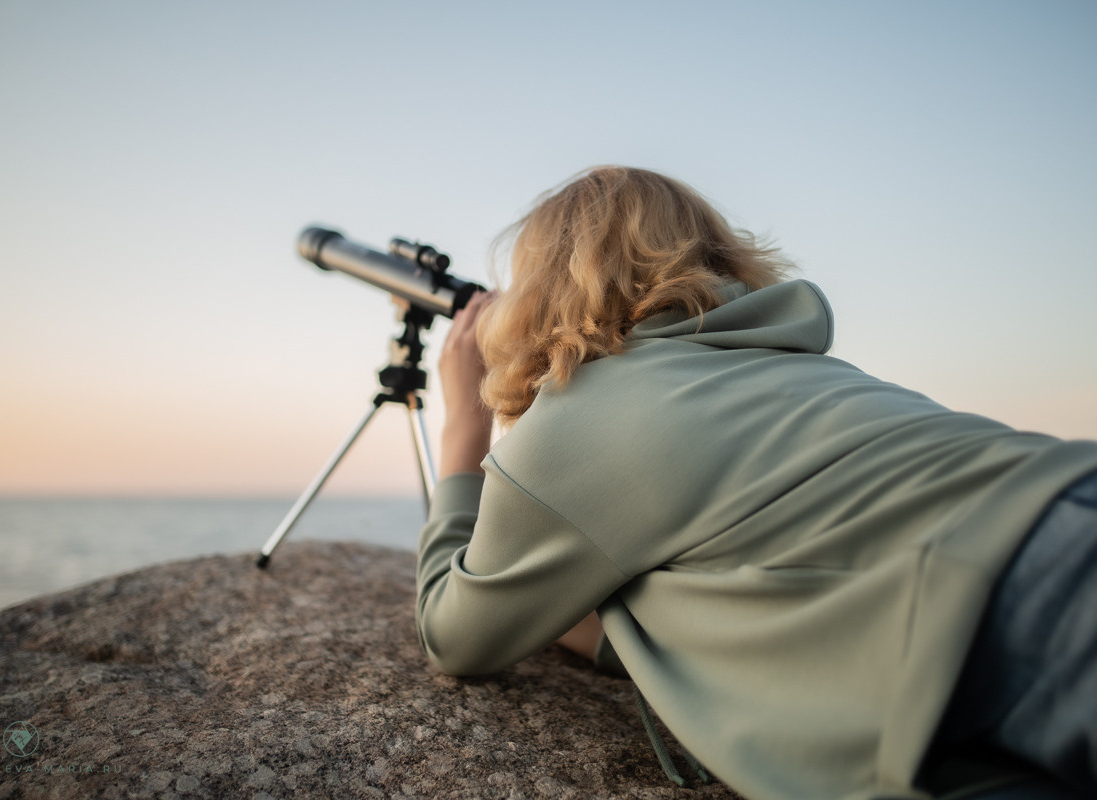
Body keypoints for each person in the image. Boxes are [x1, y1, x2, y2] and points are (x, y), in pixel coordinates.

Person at [415, 166, 1097, 800]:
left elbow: (457, 635)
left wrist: (462, 436)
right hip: (1058, 494)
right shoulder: (796, 368)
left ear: (543, 289)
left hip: (1015, 589)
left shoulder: (576, 425)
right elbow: (718, 589)